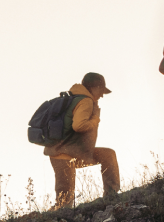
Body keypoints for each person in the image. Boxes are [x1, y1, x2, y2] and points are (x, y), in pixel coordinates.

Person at [45, 72, 120, 207]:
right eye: (101, 90)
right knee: (65, 203)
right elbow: (79, 125)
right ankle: (111, 197)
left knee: (107, 155)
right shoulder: (85, 101)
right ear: (94, 87)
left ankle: (111, 197)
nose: (102, 95)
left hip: (61, 153)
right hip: (66, 155)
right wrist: (96, 118)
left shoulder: (73, 98)